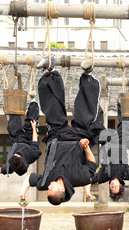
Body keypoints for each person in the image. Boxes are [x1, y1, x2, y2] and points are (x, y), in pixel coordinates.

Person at [19, 55, 106, 206]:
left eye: (48, 189)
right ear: (62, 188)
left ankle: (49, 70)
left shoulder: (45, 181)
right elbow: (92, 165)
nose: (49, 186)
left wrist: (22, 193)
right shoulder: (79, 179)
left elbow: (29, 179)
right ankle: (87, 74)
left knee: (52, 107)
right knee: (86, 112)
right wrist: (86, 148)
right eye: (52, 188)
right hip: (78, 137)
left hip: (57, 136)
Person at [90, 102, 129, 201]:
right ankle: (121, 102)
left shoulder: (104, 176)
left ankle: (95, 106)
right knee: (125, 124)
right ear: (120, 185)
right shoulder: (126, 175)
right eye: (115, 187)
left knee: (95, 127)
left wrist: (85, 188)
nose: (113, 186)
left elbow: (90, 180)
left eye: (111, 188)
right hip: (122, 143)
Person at [0, 98, 41, 177]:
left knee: (13, 127)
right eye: (17, 155)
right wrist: (34, 127)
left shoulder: (11, 166)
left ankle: (11, 115)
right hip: (30, 140)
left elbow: (3, 170)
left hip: (17, 140)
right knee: (31, 122)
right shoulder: (32, 155)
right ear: (22, 158)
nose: (15, 154)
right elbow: (35, 142)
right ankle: (33, 101)